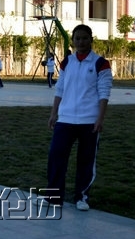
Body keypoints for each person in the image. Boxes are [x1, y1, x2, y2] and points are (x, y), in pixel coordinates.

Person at [45, 24, 112, 212]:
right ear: (73, 41)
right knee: (56, 156)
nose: (80, 42)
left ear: (91, 39)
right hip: (65, 119)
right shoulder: (67, 62)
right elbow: (60, 89)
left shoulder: (101, 64)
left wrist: (100, 119)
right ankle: (53, 196)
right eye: (77, 39)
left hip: (89, 121)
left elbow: (104, 93)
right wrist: (54, 113)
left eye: (84, 38)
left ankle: (82, 196)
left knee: (86, 160)